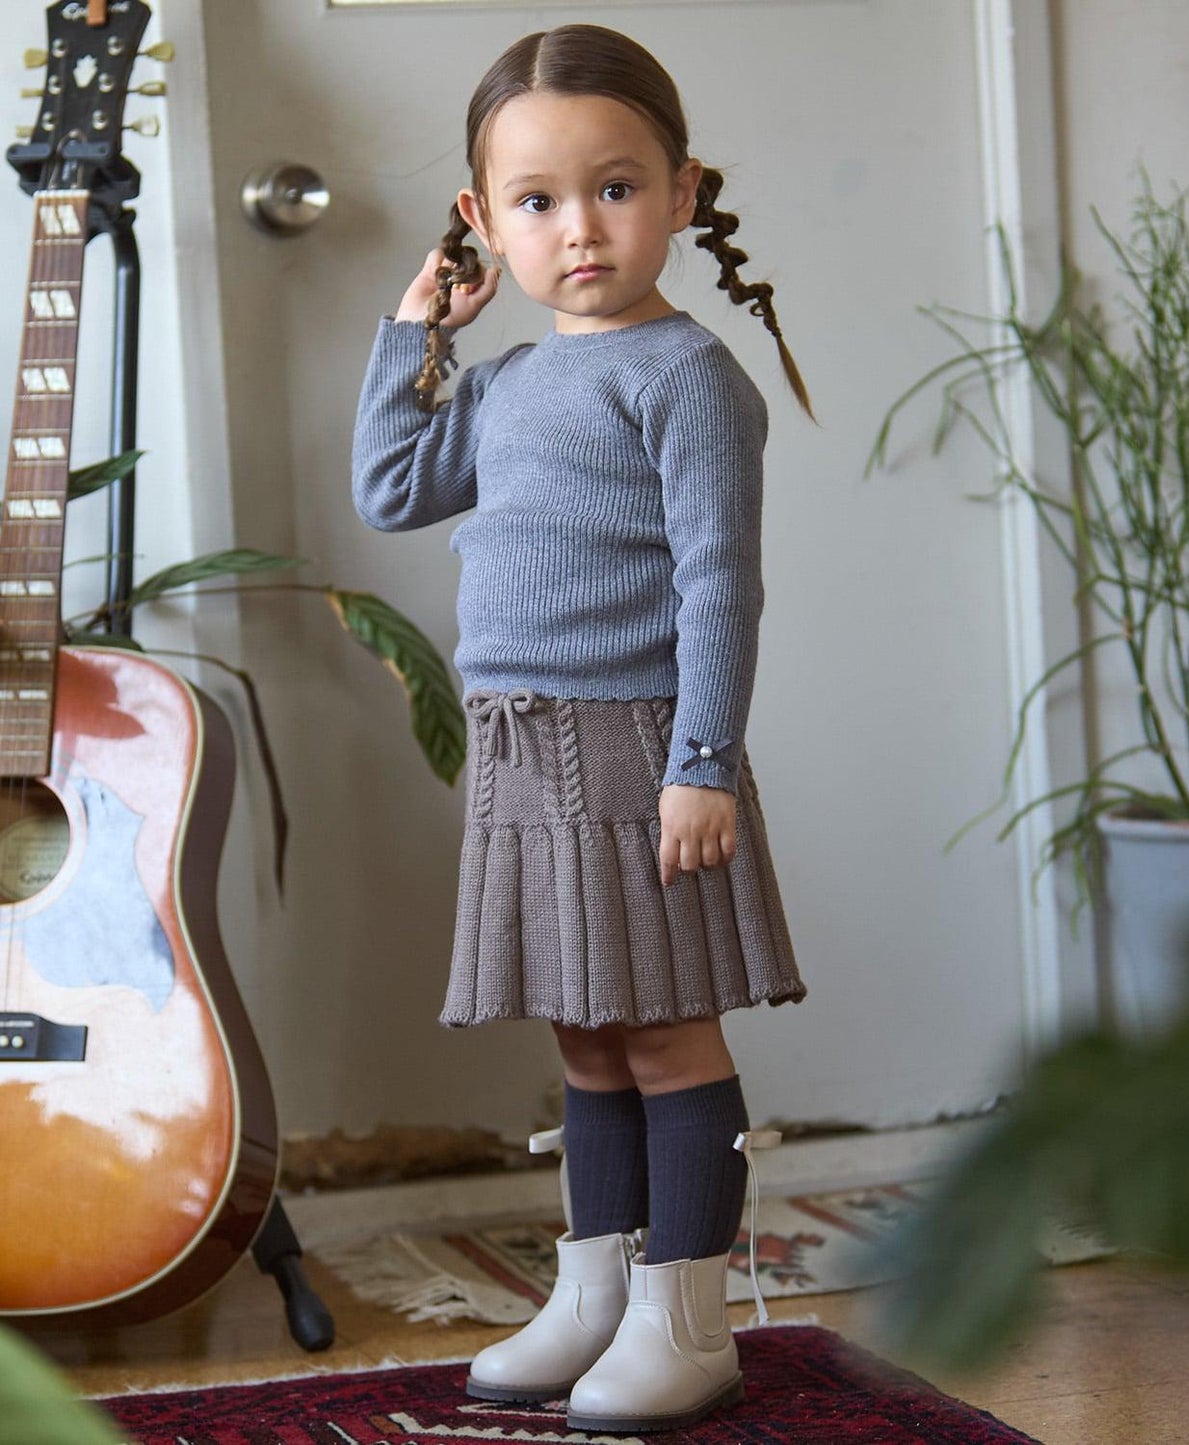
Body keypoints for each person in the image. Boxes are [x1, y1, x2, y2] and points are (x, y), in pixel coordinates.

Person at [350, 22, 815, 1436]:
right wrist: (416, 328)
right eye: (536, 202)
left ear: (683, 192)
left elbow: (719, 583)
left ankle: (688, 1314)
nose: (580, 229)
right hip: (515, 752)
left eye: (615, 188)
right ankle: (591, 1289)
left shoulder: (683, 378)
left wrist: (700, 764)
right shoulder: (499, 383)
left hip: (636, 748)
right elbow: (387, 486)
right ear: (483, 224)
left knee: (668, 1035)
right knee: (587, 1038)